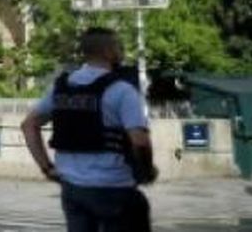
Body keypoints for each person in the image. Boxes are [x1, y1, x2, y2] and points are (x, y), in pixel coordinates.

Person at [21, 27, 155, 232]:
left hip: (73, 189)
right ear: (108, 51)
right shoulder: (122, 90)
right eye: (119, 46)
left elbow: (29, 125)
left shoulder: (62, 88)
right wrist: (146, 171)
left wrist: (47, 168)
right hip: (114, 188)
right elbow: (139, 141)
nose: (122, 51)